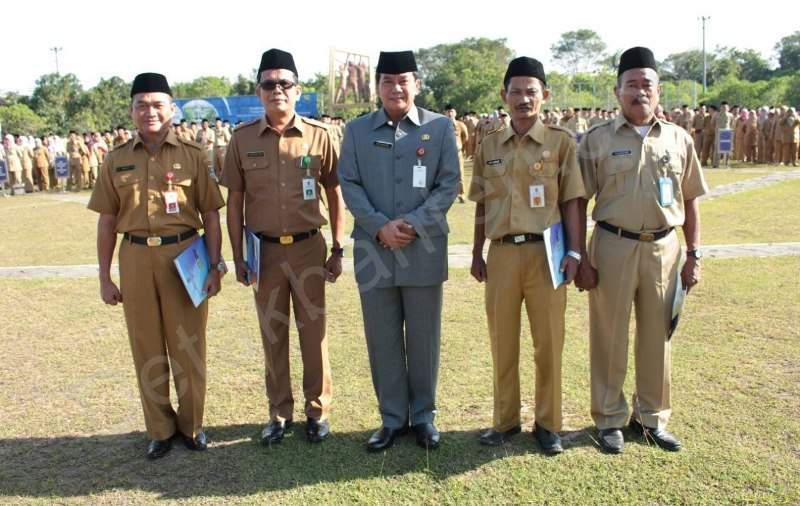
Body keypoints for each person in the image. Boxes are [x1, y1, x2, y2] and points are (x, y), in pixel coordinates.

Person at [575, 47, 708, 454]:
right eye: (631, 84)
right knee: (609, 335)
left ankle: (651, 418)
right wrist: (580, 257)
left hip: (664, 249)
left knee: (657, 336)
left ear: (658, 90)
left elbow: (691, 201)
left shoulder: (679, 138)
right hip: (612, 245)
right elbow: (578, 201)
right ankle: (610, 418)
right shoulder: (597, 140)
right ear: (617, 92)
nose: (639, 92)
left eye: (646, 84)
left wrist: (694, 254)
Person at [87, 72, 225, 460]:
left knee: (189, 347)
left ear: (172, 109)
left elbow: (211, 215)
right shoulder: (115, 159)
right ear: (131, 111)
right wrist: (104, 276)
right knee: (146, 347)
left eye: (158, 104)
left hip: (184, 256)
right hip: (134, 258)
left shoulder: (192, 155)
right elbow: (106, 222)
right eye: (142, 105)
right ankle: (159, 429)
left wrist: (214, 266)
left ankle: (192, 424)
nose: (150, 112)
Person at [220, 48, 345, 445]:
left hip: (309, 248)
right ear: (259, 92)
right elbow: (234, 202)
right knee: (272, 334)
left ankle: (318, 411)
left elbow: (335, 192)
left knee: (314, 334)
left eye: (284, 84)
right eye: (269, 84)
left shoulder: (320, 136)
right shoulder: (241, 139)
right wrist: (238, 256)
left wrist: (338, 247)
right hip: (265, 253)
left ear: (297, 90)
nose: (277, 90)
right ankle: (279, 412)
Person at [338, 50, 460, 452]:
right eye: (387, 81)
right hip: (375, 252)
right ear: (377, 87)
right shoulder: (356, 131)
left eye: (403, 79)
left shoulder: (441, 128)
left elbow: (449, 185)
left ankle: (424, 417)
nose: (396, 87)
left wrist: (413, 225)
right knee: (383, 339)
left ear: (417, 84)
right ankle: (392, 419)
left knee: (424, 338)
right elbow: (349, 184)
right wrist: (379, 227)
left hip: (422, 250)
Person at [469, 57, 585, 454]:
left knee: (549, 342)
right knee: (502, 341)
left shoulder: (560, 142)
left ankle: (548, 423)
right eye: (515, 91)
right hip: (501, 255)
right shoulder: (489, 146)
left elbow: (573, 202)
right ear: (504, 96)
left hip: (546, 255)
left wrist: (574, 251)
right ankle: (504, 422)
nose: (523, 99)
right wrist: (476, 251)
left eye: (531, 91)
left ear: (545, 96)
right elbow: (482, 204)